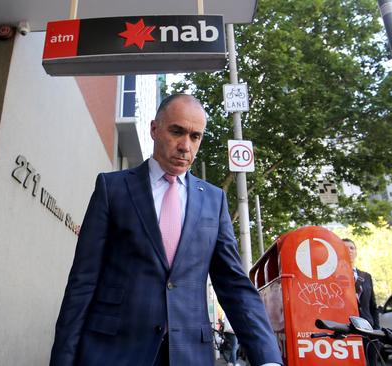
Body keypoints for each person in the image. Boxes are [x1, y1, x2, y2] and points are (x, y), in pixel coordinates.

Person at [50, 94, 282, 366]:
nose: (186, 146)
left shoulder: (213, 199)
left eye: (195, 137)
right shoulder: (112, 189)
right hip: (112, 351)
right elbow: (83, 281)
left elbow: (234, 285)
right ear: (154, 129)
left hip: (189, 355)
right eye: (177, 132)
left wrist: (267, 358)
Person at [343, 238, 379, 366]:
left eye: (351, 248)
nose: (349, 250)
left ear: (356, 252)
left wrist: (377, 329)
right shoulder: (335, 276)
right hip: (347, 330)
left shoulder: (366, 276)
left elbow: (372, 305)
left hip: (369, 330)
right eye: (345, 248)